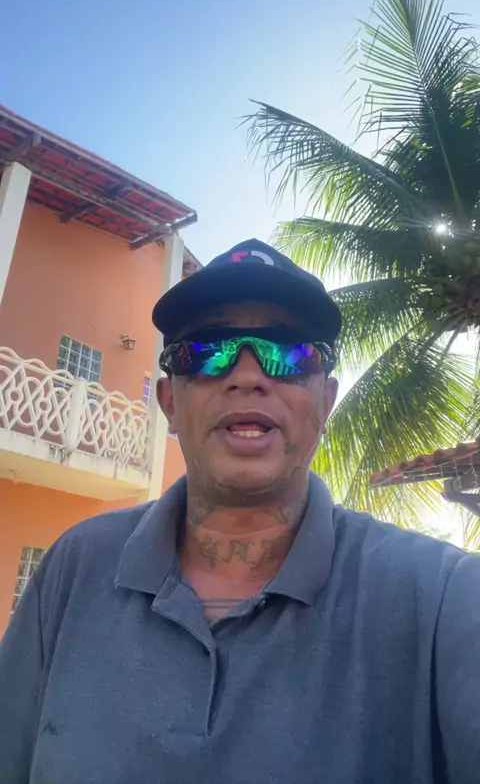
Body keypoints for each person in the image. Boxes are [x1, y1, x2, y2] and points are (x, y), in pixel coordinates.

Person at [0, 238, 479, 784]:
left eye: (289, 351)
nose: (248, 376)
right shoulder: (74, 568)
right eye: (208, 350)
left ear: (325, 402)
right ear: (170, 402)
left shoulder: (442, 598)